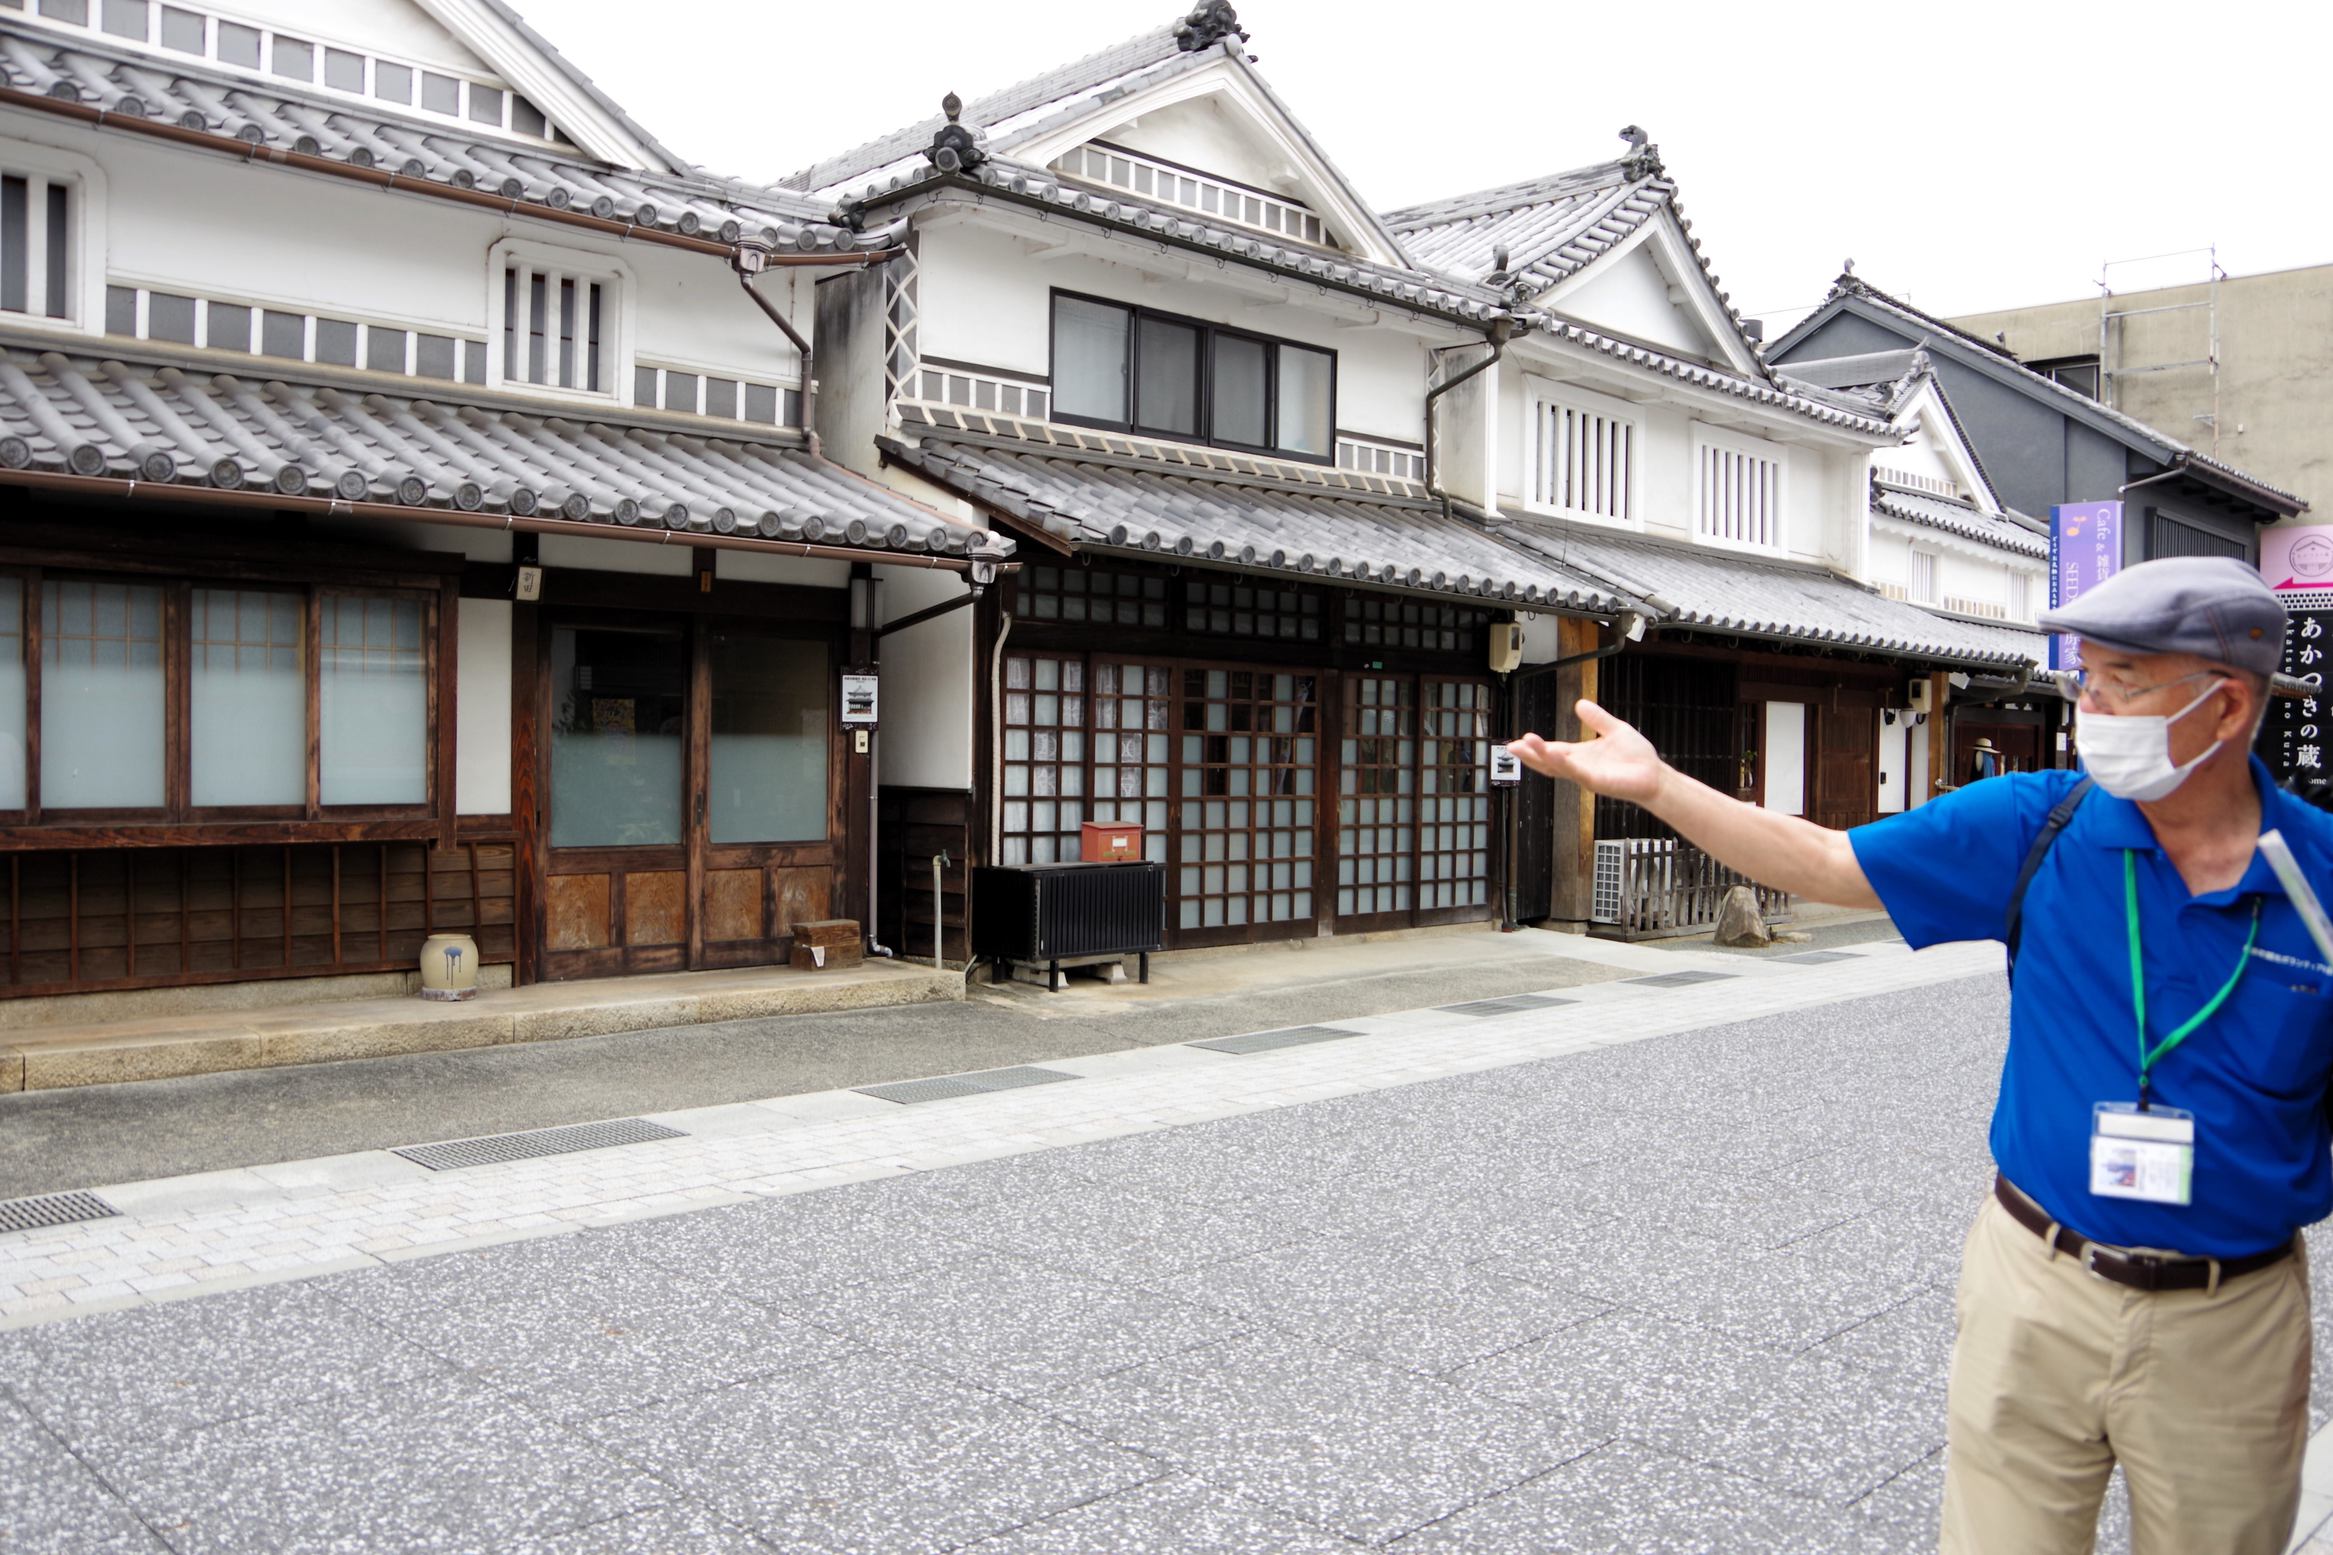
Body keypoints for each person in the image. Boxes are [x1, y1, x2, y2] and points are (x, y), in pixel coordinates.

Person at [1508, 556, 2331, 1555]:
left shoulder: (2319, 881)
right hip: (2035, 1281)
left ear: (2224, 703)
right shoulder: (2039, 823)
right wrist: (1661, 787)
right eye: (2085, 677)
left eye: (2122, 679)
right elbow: (1822, 861)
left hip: (2230, 1319)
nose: (2090, 703)